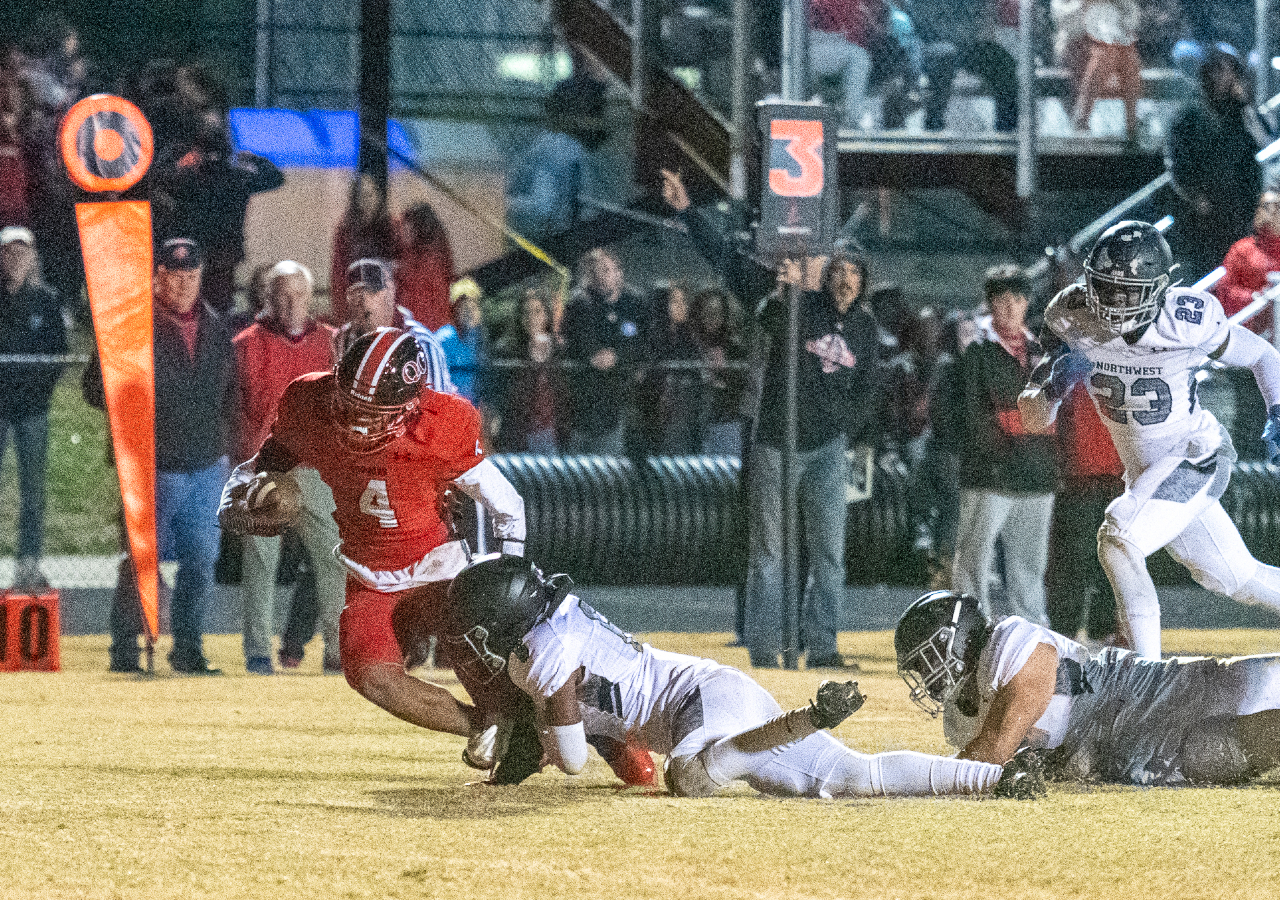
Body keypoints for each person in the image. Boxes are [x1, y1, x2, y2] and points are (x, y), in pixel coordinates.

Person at [444, 554, 1007, 798]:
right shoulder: (550, 622)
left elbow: (568, 756)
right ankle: (995, 780)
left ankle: (808, 716)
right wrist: (507, 764)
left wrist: (520, 736)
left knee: (688, 775)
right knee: (849, 777)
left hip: (701, 697)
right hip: (708, 697)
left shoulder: (546, 649)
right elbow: (596, 732)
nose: (474, 642)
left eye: (479, 628)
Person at [1018, 220, 1280, 659]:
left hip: (1194, 455)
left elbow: (1262, 354)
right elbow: (1031, 416)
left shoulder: (1185, 320)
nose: (1117, 303)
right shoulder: (1071, 316)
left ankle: (1146, 676)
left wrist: (1277, 411)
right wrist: (1050, 390)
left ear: (1160, 288)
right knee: (1235, 577)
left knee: (1119, 536)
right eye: (1108, 288)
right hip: (1146, 472)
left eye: (1130, 291)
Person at [895, 589, 1280, 785]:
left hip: (1137, 694)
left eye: (927, 659)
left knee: (1258, 688)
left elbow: (995, 749)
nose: (926, 675)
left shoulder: (1007, 642)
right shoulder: (960, 720)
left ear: (958, 637)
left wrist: (909, 781)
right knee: (1214, 752)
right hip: (1113, 753)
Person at [85, 238, 237, 675]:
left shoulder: (216, 325)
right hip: (153, 464)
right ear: (158, 277)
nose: (185, 283)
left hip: (207, 462)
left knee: (201, 559)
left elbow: (230, 394)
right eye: (175, 274)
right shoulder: (131, 326)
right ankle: (125, 648)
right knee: (140, 558)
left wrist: (229, 449)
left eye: (192, 274)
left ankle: (188, 648)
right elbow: (95, 388)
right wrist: (130, 392)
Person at [745, 251, 881, 671]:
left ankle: (823, 647)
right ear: (826, 278)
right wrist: (783, 291)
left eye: (855, 272)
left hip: (827, 450)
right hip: (776, 443)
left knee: (830, 554)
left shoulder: (865, 326)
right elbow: (768, 317)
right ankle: (766, 649)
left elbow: (870, 386)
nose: (846, 280)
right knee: (769, 553)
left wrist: (844, 427)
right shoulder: (801, 308)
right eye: (839, 271)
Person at [230, 260, 345, 675]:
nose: (292, 303)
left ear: (311, 298)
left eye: (299, 293)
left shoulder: (332, 343)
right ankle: (258, 650)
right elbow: (240, 408)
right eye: (283, 294)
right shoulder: (246, 344)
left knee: (334, 554)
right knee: (261, 557)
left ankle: (337, 648)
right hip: (267, 464)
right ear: (268, 298)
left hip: (315, 465)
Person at [951, 265, 1056, 625]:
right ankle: (966, 638)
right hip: (990, 473)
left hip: (1036, 473)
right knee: (973, 565)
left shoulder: (1041, 351)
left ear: (1027, 303)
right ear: (990, 303)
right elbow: (969, 412)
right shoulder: (974, 348)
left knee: (1030, 566)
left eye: (1017, 299)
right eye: (1002, 299)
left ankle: (1033, 640)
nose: (1010, 307)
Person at [1165, 48, 1277, 281]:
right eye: (1217, 69)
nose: (1223, 76)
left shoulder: (1241, 112)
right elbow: (1178, 159)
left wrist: (1244, 105)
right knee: (1203, 269)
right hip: (1202, 210)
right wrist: (1194, 195)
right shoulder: (1190, 114)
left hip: (1238, 205)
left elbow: (1263, 142)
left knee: (1236, 266)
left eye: (1229, 70)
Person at [0, 225, 66, 590]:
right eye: (9, 252)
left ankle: (27, 568)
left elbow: (58, 355)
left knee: (32, 494)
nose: (15, 258)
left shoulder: (47, 301)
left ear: (33, 256)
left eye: (22, 251)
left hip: (32, 411)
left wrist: (37, 388)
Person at [559, 248, 647, 454]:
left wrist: (618, 356)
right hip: (583, 399)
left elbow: (644, 342)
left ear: (619, 272)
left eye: (606, 270)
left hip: (620, 396)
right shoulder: (579, 304)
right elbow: (574, 338)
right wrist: (593, 354)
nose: (601, 277)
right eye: (595, 272)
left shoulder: (635, 302)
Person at [334, 258, 453, 396]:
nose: (364, 301)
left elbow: (435, 409)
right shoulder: (342, 340)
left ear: (391, 290)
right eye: (355, 294)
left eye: (372, 291)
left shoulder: (420, 341)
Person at [489, 288, 570, 454]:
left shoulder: (559, 348)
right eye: (526, 312)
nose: (532, 318)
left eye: (537, 311)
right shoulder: (507, 349)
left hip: (553, 432)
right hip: (519, 432)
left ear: (546, 314)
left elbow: (566, 392)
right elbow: (500, 393)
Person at [329, 173, 399, 326]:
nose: (365, 201)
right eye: (360, 196)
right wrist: (342, 316)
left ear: (378, 196)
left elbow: (402, 268)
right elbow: (338, 274)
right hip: (356, 308)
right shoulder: (346, 230)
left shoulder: (392, 227)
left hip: (388, 307)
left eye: (369, 195)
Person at [1216, 189, 1280, 336]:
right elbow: (1225, 290)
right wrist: (1254, 297)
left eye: (1277, 207)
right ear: (1257, 212)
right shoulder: (1241, 249)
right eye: (1266, 207)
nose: (1271, 213)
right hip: (1248, 330)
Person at [394, 201, 455, 332]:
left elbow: (422, 308)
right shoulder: (435, 255)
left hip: (425, 332)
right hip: (436, 328)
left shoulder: (428, 264)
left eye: (405, 226)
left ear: (417, 229)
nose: (401, 231)